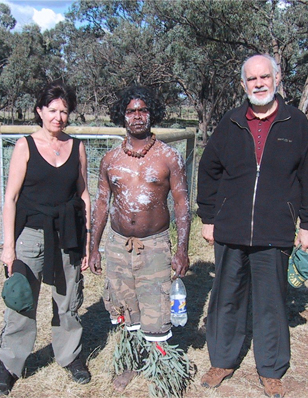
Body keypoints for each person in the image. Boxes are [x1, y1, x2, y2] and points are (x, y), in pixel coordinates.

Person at [197, 54, 308, 398]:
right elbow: (208, 170)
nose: (258, 83)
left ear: (277, 79)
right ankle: (222, 360)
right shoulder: (231, 122)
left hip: (275, 231)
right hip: (230, 228)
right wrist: (208, 217)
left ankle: (271, 369)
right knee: (226, 299)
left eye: (264, 77)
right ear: (243, 84)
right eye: (251, 79)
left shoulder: (295, 123)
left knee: (271, 302)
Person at [0, 80, 92, 396]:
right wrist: (9, 247)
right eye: (52, 110)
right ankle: (9, 365)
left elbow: (84, 194)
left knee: (68, 301)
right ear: (40, 111)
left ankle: (70, 356)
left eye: (64, 111)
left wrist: (88, 241)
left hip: (69, 234)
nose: (58, 117)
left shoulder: (77, 147)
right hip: (30, 236)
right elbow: (10, 198)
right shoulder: (25, 146)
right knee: (21, 303)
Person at [89, 85, 190, 390]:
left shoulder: (168, 157)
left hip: (155, 244)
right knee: (122, 304)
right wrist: (93, 247)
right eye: (131, 110)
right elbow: (102, 203)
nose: (137, 116)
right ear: (122, 115)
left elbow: (182, 203)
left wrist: (182, 248)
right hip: (118, 245)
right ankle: (129, 362)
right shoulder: (110, 159)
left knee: (156, 306)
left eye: (143, 110)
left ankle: (161, 368)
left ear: (152, 114)